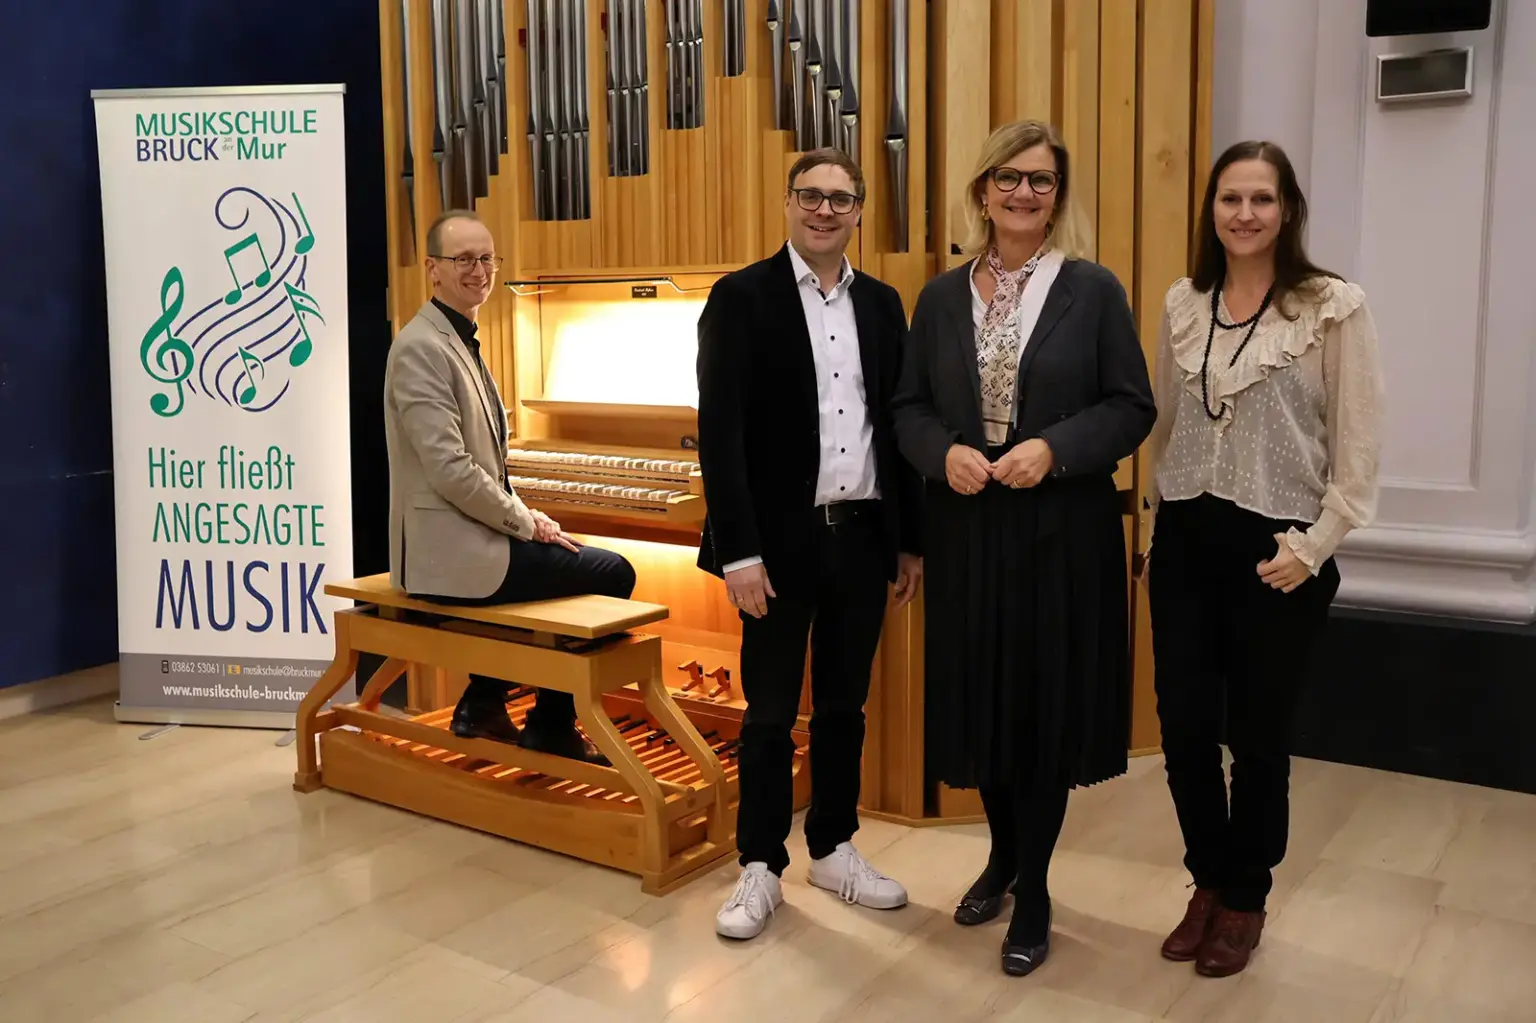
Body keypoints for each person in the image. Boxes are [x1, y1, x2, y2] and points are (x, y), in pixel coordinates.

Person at [892, 120, 1155, 977]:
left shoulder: (1093, 289)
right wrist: (943, 454)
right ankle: (1002, 856)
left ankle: (1033, 887)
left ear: (1057, 196)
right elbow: (908, 409)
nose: (1023, 194)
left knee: (1041, 711)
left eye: (1041, 181)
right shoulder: (939, 298)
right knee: (986, 704)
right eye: (1008, 179)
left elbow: (1130, 405)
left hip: (1061, 531)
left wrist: (1057, 447)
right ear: (982, 190)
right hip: (968, 529)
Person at [1142, 140, 1383, 977]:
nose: (1244, 213)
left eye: (1262, 199)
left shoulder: (1331, 307)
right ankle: (1207, 877)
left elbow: (1357, 453)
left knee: (1258, 737)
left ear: (1288, 211)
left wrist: (1314, 548)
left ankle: (1246, 894)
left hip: (1276, 552)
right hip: (1182, 541)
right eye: (1229, 198)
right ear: (1211, 209)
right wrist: (1151, 535)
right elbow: (1168, 426)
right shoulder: (1184, 301)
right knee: (1182, 731)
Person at [696, 148, 924, 940]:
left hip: (862, 537)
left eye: (840, 198)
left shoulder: (885, 305)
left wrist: (909, 541)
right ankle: (760, 864)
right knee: (765, 712)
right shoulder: (741, 297)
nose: (825, 210)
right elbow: (718, 437)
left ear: (860, 210)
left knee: (843, 707)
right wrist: (738, 551)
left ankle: (833, 844)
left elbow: (896, 428)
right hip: (775, 546)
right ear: (788, 203)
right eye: (810, 196)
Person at [383, 209, 635, 765]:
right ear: (433, 268)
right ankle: (548, 721)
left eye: (487, 258)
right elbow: (450, 469)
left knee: (566, 564)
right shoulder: (422, 346)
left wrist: (526, 516)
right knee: (613, 572)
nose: (479, 270)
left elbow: (486, 469)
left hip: (472, 533)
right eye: (464, 259)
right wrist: (527, 521)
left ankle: (486, 701)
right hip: (445, 553)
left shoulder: (459, 338)